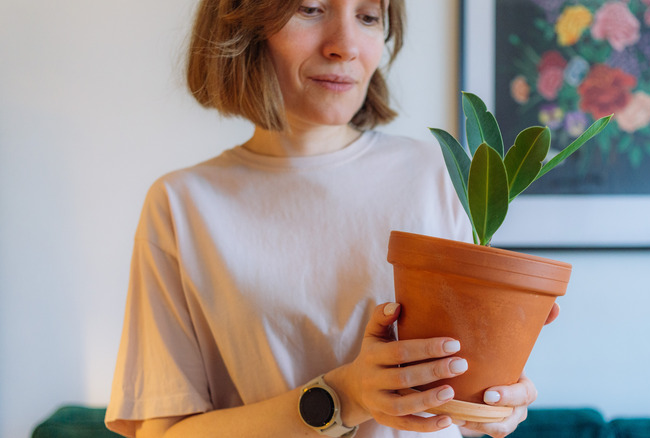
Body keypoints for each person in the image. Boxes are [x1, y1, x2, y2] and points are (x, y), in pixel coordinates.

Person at [105, 0, 559, 437]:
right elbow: (162, 432)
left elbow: (459, 406)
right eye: (310, 9)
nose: (346, 45)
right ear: (243, 24)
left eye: (367, 16)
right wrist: (344, 396)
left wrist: (494, 406)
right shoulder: (181, 206)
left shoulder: (438, 175)